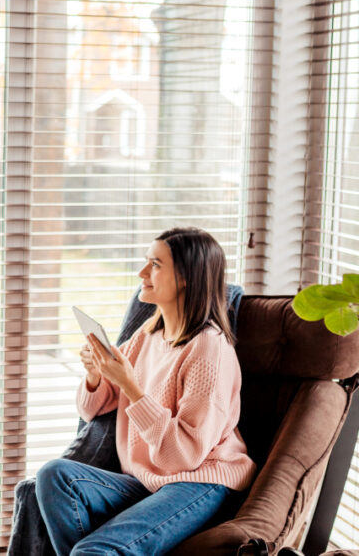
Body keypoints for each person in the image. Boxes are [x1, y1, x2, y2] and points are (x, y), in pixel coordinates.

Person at [34, 227, 257, 556]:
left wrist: (131, 387)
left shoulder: (209, 350)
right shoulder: (149, 333)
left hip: (200, 481)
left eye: (154, 264)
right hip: (148, 480)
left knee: (95, 550)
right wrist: (96, 374)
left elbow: (183, 456)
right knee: (55, 476)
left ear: (185, 277)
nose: (142, 273)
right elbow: (91, 409)